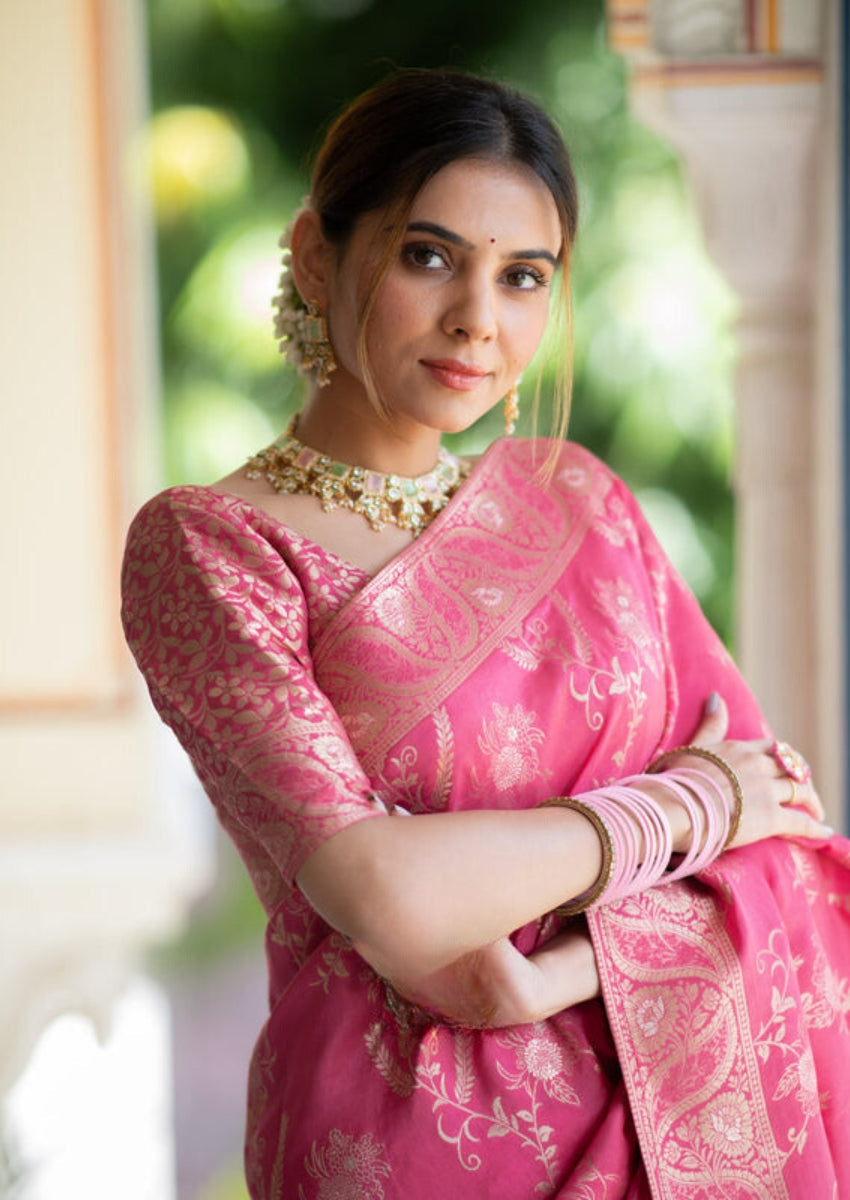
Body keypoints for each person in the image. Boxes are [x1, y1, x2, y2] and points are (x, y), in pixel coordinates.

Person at [121, 69, 850, 1199]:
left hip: (667, 1106)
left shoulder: (584, 508)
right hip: (403, 1137)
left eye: (522, 277)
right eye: (429, 256)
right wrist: (684, 807)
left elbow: (778, 827)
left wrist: (560, 973)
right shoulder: (216, 547)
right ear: (314, 256)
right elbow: (383, 893)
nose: (477, 317)